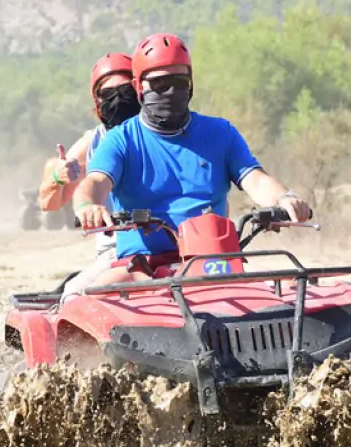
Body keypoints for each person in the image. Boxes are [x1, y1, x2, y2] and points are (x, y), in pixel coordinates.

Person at [70, 32, 312, 289]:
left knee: (297, 295)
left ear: (191, 84)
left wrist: (284, 198)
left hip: (216, 263)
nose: (171, 91)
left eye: (179, 81)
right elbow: (95, 181)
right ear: (140, 87)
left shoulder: (221, 133)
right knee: (82, 302)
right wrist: (88, 205)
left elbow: (256, 179)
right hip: (143, 268)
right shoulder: (121, 140)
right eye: (160, 84)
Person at [35, 52, 141, 300]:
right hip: (116, 251)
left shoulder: (160, 133)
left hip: (171, 243)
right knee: (72, 297)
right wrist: (59, 177)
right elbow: (48, 202)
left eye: (124, 91)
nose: (118, 100)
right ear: (97, 103)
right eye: (109, 94)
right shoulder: (93, 142)